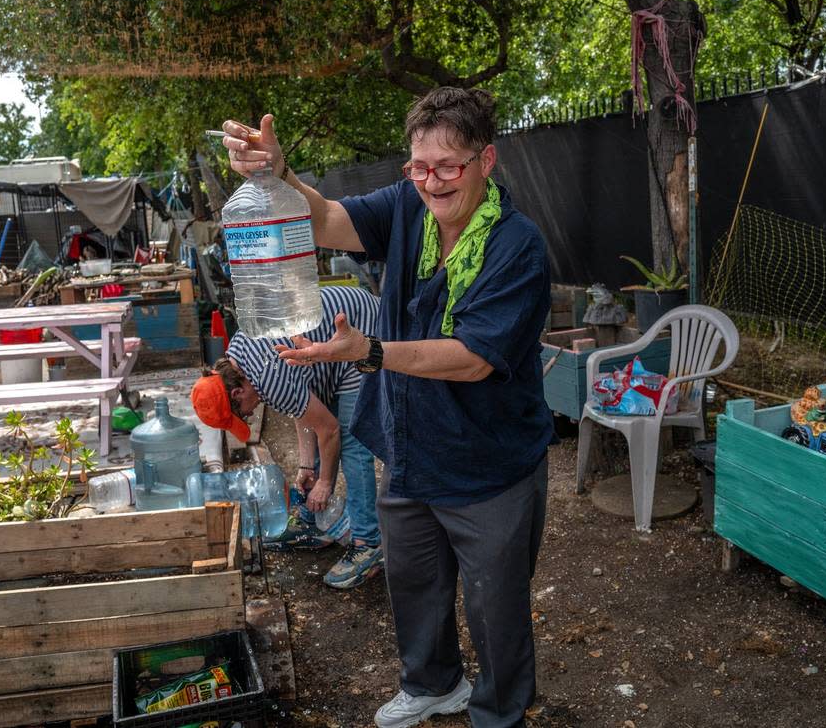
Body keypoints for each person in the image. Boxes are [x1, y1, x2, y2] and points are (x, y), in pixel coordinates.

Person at [220, 87, 554, 728]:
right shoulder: (407, 206)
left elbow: (473, 357)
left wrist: (369, 351)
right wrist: (278, 173)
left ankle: (499, 713)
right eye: (419, 167)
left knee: (495, 607)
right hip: (410, 444)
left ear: (487, 161)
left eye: (448, 167)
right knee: (415, 581)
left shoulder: (518, 247)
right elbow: (325, 221)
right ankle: (432, 685)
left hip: (490, 461)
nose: (431, 182)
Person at [190, 285, 384, 589]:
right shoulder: (238, 355)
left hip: (358, 326)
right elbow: (302, 410)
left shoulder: (268, 378)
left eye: (240, 413)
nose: (249, 416)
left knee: (350, 440)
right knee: (325, 425)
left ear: (238, 391)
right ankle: (314, 522)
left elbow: (328, 429)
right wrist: (308, 467)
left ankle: (368, 543)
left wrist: (324, 483)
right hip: (326, 340)